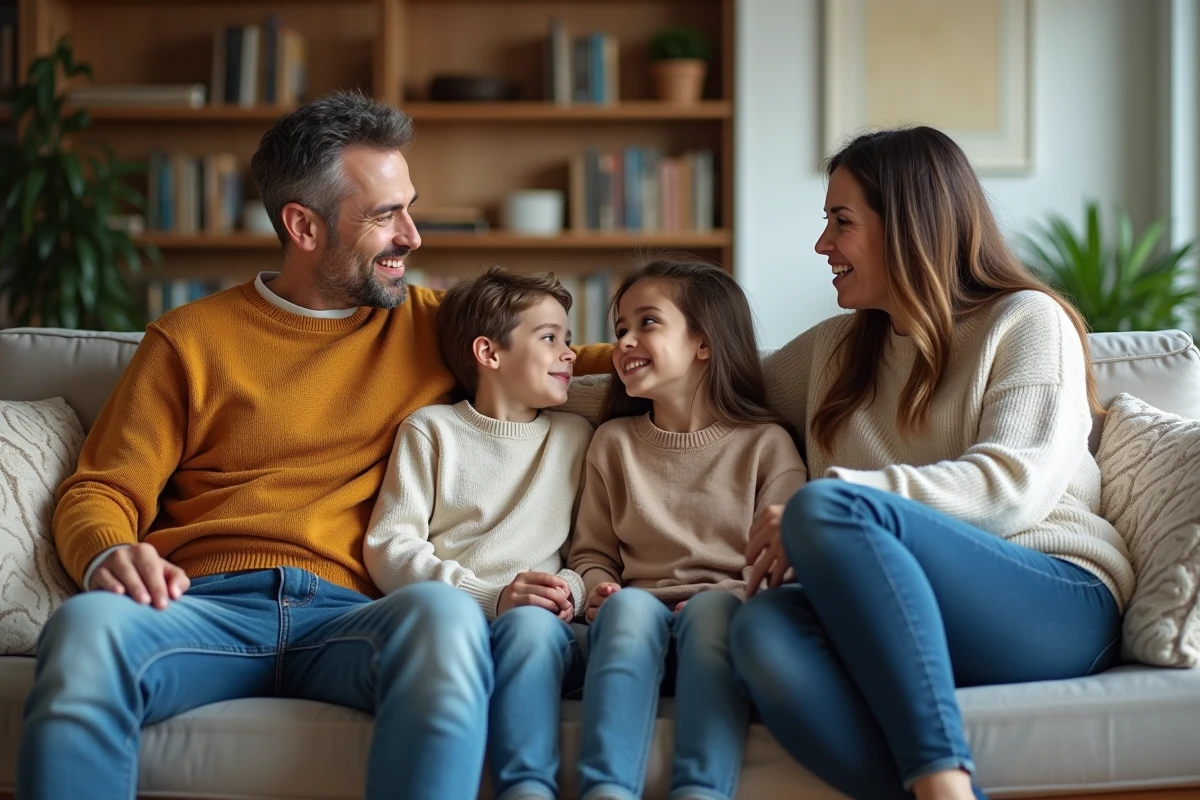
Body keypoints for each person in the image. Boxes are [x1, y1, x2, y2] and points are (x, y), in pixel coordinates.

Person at [18, 91, 612, 800]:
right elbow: (101, 489)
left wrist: (684, 357)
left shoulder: (430, 325)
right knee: (85, 630)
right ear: (303, 225)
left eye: (409, 206)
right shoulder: (189, 339)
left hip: (355, 615)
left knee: (447, 615)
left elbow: (562, 356)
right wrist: (110, 553)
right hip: (202, 609)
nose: (414, 236)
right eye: (385, 215)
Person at [731, 126, 1135, 800]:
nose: (822, 245)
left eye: (841, 221)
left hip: (1052, 600)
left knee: (827, 506)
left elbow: (1013, 488)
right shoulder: (835, 351)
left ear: (909, 224)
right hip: (911, 619)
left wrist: (840, 503)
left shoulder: (1027, 322)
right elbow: (714, 387)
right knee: (760, 627)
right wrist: (570, 365)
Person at [567, 259, 808, 800]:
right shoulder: (613, 443)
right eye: (620, 329)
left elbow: (779, 559)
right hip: (637, 615)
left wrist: (725, 593)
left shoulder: (766, 445)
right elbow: (592, 552)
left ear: (705, 342)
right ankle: (606, 788)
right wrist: (598, 590)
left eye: (647, 323)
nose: (625, 341)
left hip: (724, 611)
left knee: (712, 611)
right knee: (628, 608)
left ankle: (700, 789)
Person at [364, 266, 594, 800]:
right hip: (454, 629)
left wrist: (569, 594)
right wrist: (489, 598)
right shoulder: (432, 430)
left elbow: (593, 550)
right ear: (489, 354)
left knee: (529, 629)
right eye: (550, 338)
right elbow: (390, 545)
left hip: (542, 629)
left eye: (569, 337)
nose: (571, 352)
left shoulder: (577, 436)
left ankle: (526, 788)